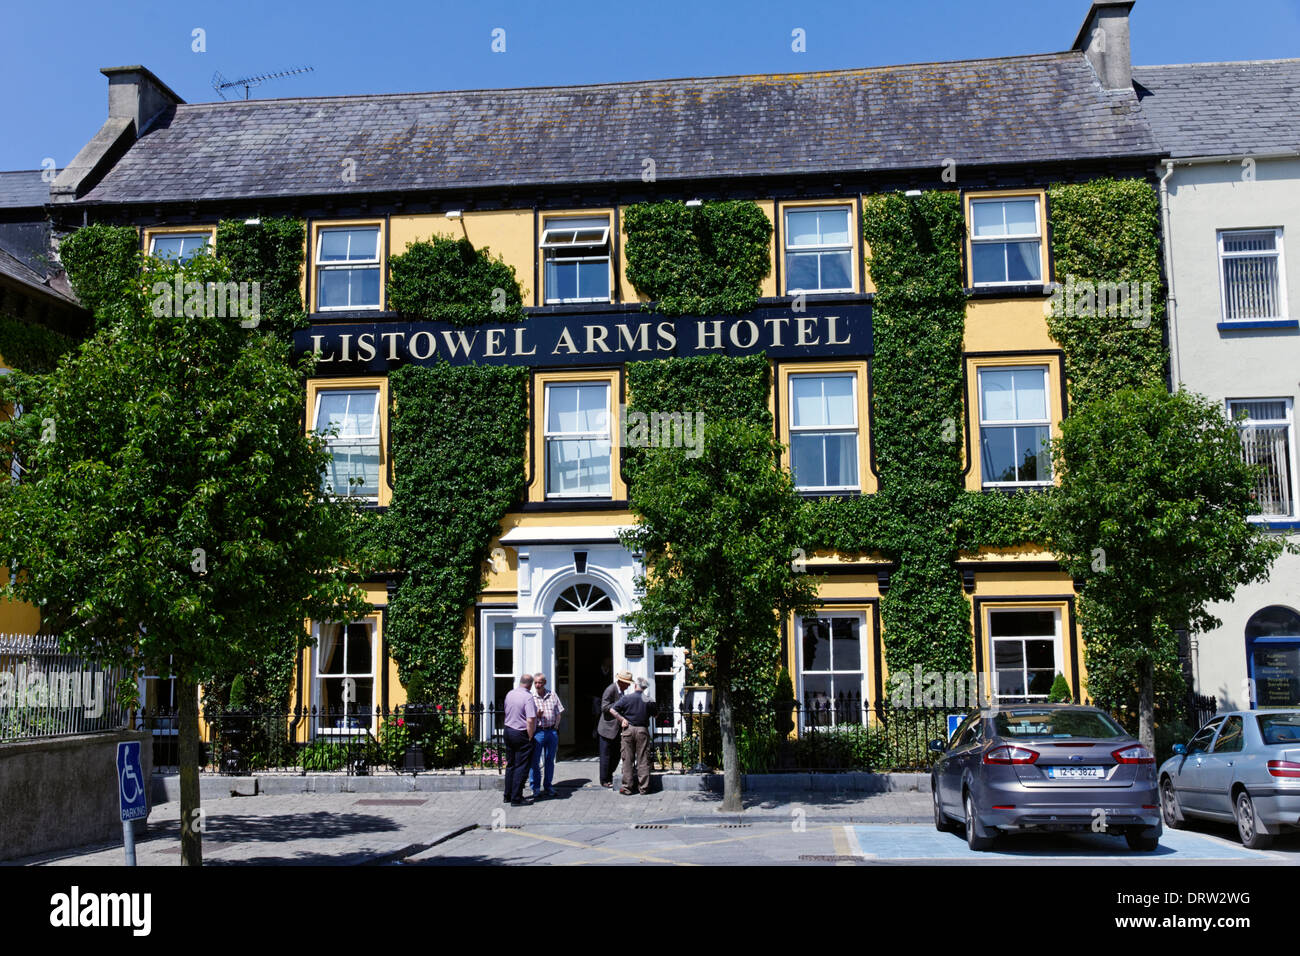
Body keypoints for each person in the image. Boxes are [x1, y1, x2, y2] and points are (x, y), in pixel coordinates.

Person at [612, 676, 656, 795]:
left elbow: (612, 710)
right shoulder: (648, 700)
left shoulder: (627, 698)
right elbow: (655, 715)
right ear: (645, 687)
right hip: (642, 730)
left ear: (636, 685)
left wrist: (622, 719)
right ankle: (644, 788)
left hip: (628, 729)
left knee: (627, 759)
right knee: (643, 759)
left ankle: (627, 787)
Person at [502, 674, 537, 806]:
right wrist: (530, 736)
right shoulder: (528, 697)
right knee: (521, 766)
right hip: (520, 732)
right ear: (530, 684)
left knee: (510, 764)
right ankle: (517, 798)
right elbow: (530, 719)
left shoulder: (510, 693)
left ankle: (508, 795)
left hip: (508, 730)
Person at [529, 672, 565, 797]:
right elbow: (527, 717)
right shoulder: (531, 697)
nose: (537, 685)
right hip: (538, 731)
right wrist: (536, 716)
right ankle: (535, 788)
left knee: (550, 760)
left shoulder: (552, 695)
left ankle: (548, 786)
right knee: (535, 761)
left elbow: (559, 712)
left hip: (551, 732)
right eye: (536, 683)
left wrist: (555, 727)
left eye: (540, 683)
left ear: (544, 683)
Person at [596, 670, 633, 788]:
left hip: (617, 729)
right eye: (627, 683)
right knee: (606, 755)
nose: (628, 685)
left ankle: (609, 776)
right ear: (621, 681)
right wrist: (619, 704)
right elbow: (604, 707)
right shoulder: (610, 689)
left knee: (616, 754)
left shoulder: (622, 691)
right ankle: (604, 780)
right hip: (607, 729)